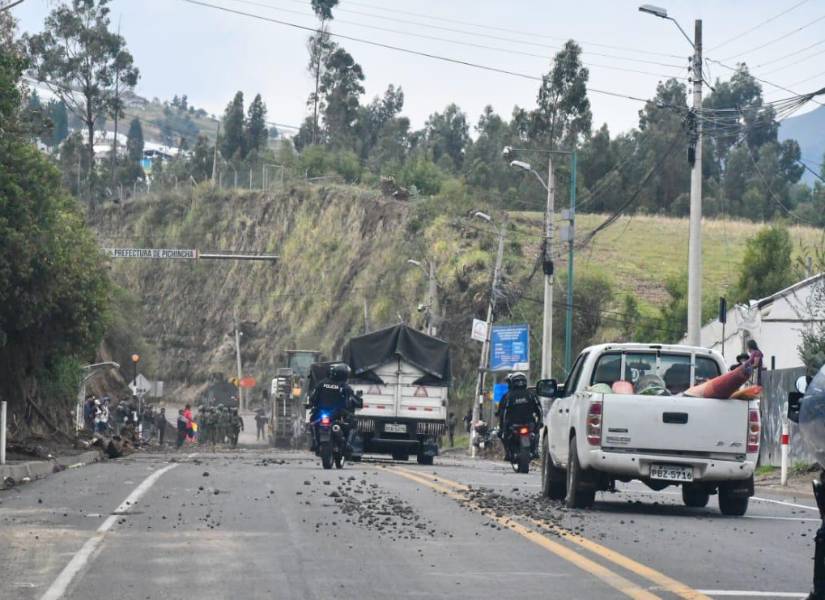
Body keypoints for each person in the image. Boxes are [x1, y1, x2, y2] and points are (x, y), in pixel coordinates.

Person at [308, 363, 362, 454]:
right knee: (354, 423)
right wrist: (358, 402)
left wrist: (311, 405)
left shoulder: (321, 384)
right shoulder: (345, 387)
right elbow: (353, 400)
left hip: (321, 412)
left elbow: (313, 398)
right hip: (339, 413)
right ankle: (348, 445)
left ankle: (315, 443)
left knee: (312, 422)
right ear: (344, 375)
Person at [496, 372, 542, 460]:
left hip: (513, 425)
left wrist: (502, 428)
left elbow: (503, 413)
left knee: (503, 435)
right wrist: (539, 422)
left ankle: (508, 453)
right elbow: (539, 410)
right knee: (536, 433)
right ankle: (535, 451)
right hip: (529, 424)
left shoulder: (507, 396)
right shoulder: (531, 394)